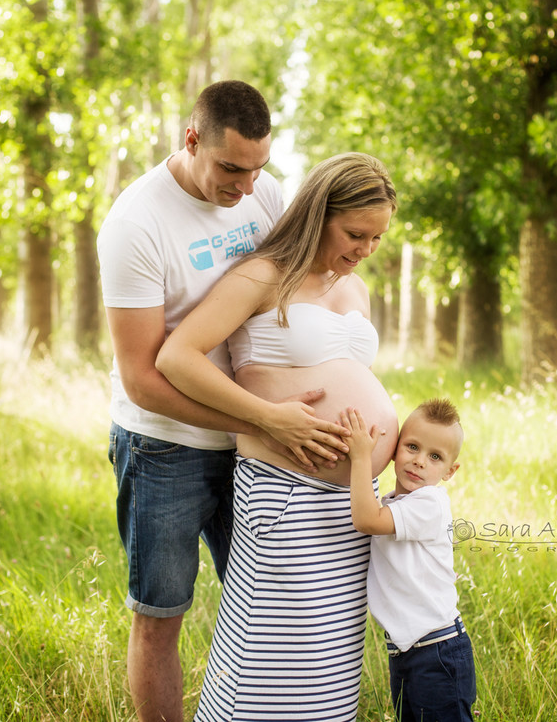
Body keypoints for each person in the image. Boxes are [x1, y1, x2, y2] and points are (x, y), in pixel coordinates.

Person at [97, 80, 348, 722]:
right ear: (192, 139)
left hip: (259, 451)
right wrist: (262, 416)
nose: (246, 188)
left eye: (258, 168)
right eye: (231, 169)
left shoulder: (262, 191)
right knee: (161, 616)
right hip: (164, 447)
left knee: (274, 603)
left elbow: (295, 287)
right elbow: (142, 378)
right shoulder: (135, 224)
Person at [155, 152, 401, 720]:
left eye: (378, 238)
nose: (365, 249)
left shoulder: (353, 288)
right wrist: (265, 417)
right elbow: (177, 356)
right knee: (267, 660)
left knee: (327, 662)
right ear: (319, 212)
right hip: (283, 494)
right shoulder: (263, 274)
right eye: (355, 234)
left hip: (351, 505)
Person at [342, 398, 478, 722]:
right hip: (410, 653)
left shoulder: (429, 503)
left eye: (435, 457)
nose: (419, 462)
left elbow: (365, 519)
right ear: (393, 448)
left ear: (450, 471)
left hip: (437, 653)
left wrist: (360, 456)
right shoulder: (394, 504)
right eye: (412, 447)